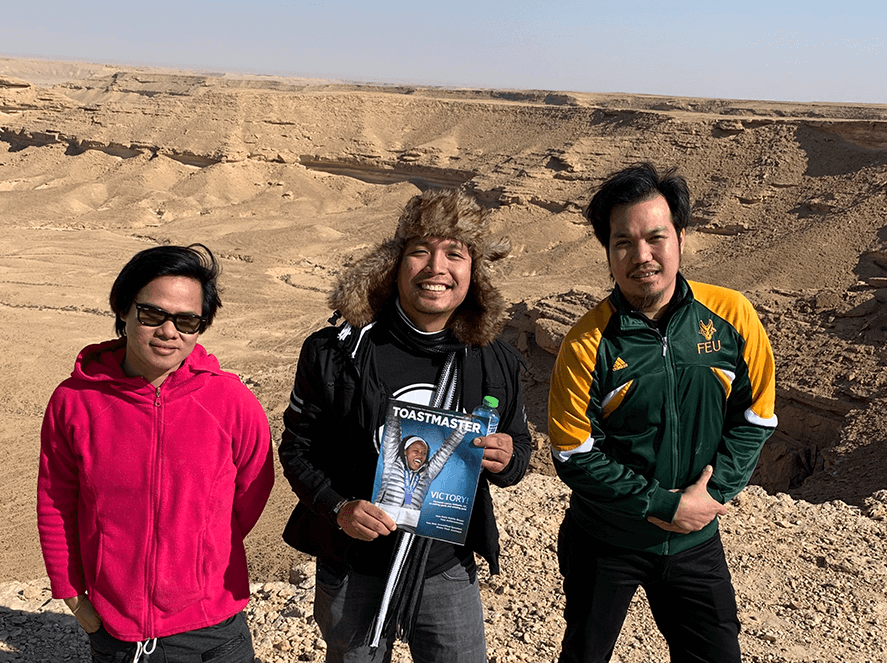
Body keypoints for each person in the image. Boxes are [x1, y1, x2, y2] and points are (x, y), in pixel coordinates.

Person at [280, 188, 532, 663]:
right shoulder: (336, 352)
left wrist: (506, 458)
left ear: (474, 272)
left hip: (445, 569)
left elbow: (519, 448)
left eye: (454, 254)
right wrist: (338, 508)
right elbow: (297, 449)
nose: (436, 268)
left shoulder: (493, 359)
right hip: (353, 569)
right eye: (420, 251)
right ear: (394, 264)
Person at [547, 162, 778, 663]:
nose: (641, 256)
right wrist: (662, 505)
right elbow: (573, 452)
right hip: (606, 540)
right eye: (623, 243)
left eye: (656, 237)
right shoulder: (586, 342)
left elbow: (755, 417)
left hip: (696, 540)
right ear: (607, 251)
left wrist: (708, 497)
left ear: (681, 237)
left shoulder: (732, 316)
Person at [37, 243, 274, 663]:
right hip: (116, 632)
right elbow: (58, 501)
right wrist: (75, 598)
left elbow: (250, 493)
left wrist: (199, 548)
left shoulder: (232, 401)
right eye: (152, 315)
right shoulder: (74, 403)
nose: (169, 331)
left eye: (187, 320)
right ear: (124, 311)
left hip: (214, 632)